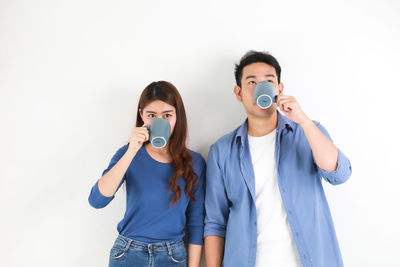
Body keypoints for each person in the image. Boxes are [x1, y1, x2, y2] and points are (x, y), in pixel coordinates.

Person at [204, 51, 352, 267]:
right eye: (252, 82)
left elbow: (339, 174)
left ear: (279, 89)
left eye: (268, 81)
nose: (259, 87)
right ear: (239, 93)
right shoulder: (222, 151)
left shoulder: (307, 132)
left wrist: (303, 121)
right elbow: (215, 224)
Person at [88, 81, 205, 267]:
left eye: (167, 115)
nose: (160, 121)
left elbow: (196, 223)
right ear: (142, 115)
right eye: (152, 115)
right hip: (128, 253)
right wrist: (132, 150)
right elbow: (97, 200)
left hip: (172, 256)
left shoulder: (195, 162)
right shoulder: (127, 154)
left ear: (177, 117)